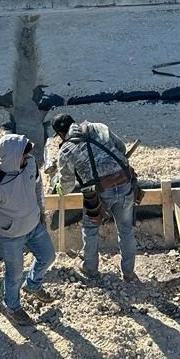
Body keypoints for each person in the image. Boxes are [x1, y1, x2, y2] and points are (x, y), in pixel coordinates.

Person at [0, 134, 56, 327]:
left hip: (33, 226)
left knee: (48, 256)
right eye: (23, 154)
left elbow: (37, 186)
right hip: (9, 235)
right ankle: (11, 307)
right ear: (12, 156)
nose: (27, 157)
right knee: (14, 275)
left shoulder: (30, 163)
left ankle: (33, 284)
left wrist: (41, 213)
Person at [50, 114, 138, 281]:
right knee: (126, 230)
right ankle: (128, 272)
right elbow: (121, 148)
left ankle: (91, 268)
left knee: (90, 231)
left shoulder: (66, 149)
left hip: (98, 194)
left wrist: (58, 188)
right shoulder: (98, 127)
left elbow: (66, 186)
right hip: (124, 182)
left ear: (60, 134)